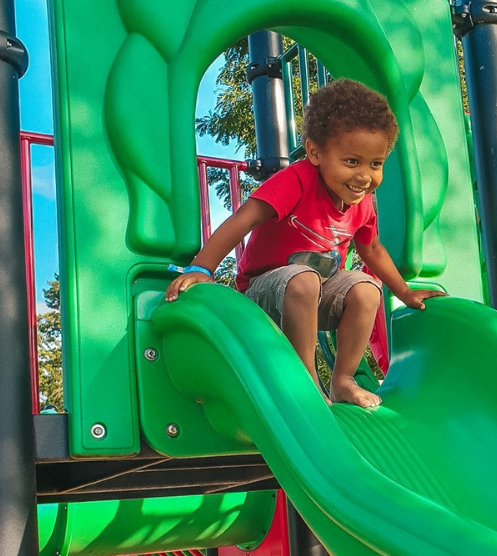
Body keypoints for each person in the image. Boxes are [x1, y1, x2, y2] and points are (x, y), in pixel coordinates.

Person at [165, 78, 445, 407]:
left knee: (366, 289)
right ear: (315, 152)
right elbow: (243, 219)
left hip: (317, 295)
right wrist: (202, 268)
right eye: (352, 162)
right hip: (265, 296)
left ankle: (342, 380)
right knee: (303, 279)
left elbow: (372, 249)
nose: (365, 176)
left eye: (376, 164)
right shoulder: (297, 181)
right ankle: (306, 376)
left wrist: (405, 292)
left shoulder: (361, 201)